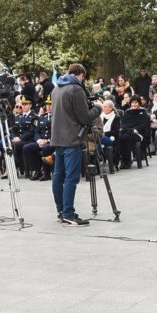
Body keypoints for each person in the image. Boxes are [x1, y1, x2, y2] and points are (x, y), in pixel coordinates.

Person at [49, 63, 96, 225]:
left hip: (58, 138)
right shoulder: (76, 89)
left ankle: (61, 210)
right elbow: (85, 117)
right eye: (84, 78)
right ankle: (68, 213)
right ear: (81, 75)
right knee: (71, 177)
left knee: (58, 176)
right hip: (72, 138)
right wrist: (97, 108)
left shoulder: (56, 89)